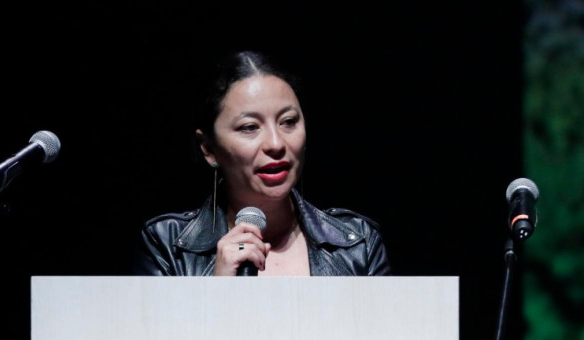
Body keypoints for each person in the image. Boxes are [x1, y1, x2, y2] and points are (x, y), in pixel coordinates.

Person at [135, 50, 392, 276]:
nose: (276, 143)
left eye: (289, 122)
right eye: (249, 127)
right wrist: (216, 291)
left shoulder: (358, 243)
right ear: (209, 149)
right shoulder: (166, 244)